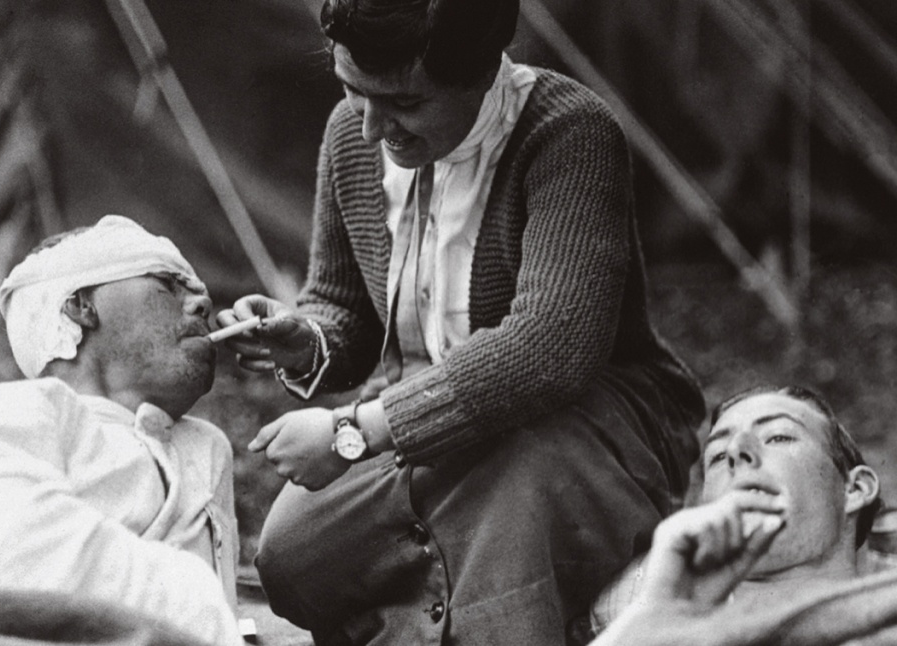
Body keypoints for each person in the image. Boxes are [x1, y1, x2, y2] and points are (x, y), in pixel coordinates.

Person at [216, 0, 705, 643]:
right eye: (351, 90)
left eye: (404, 103)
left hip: (578, 415)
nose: (370, 127)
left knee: (510, 532)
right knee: (293, 557)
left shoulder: (570, 134)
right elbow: (342, 309)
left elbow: (550, 348)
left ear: (481, 71)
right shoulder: (349, 138)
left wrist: (352, 433)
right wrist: (303, 338)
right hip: (417, 421)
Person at [0, 215, 243, 646]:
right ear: (81, 306)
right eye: (168, 283)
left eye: (199, 289)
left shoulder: (206, 448)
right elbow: (8, 558)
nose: (203, 303)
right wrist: (202, 610)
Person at [590, 384, 888, 645]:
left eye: (778, 437)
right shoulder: (635, 606)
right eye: (717, 456)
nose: (735, 450)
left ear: (855, 489)